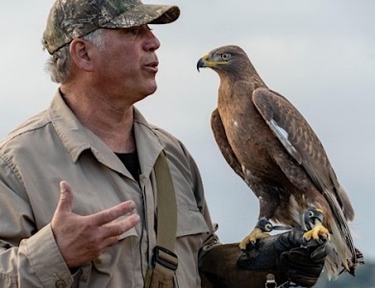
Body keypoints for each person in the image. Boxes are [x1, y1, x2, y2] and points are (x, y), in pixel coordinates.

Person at [0, 0, 328, 287]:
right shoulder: (18, 162)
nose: (154, 42)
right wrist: (55, 255)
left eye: (150, 31)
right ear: (83, 53)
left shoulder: (172, 155)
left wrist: (261, 265)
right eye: (133, 32)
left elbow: (199, 267)